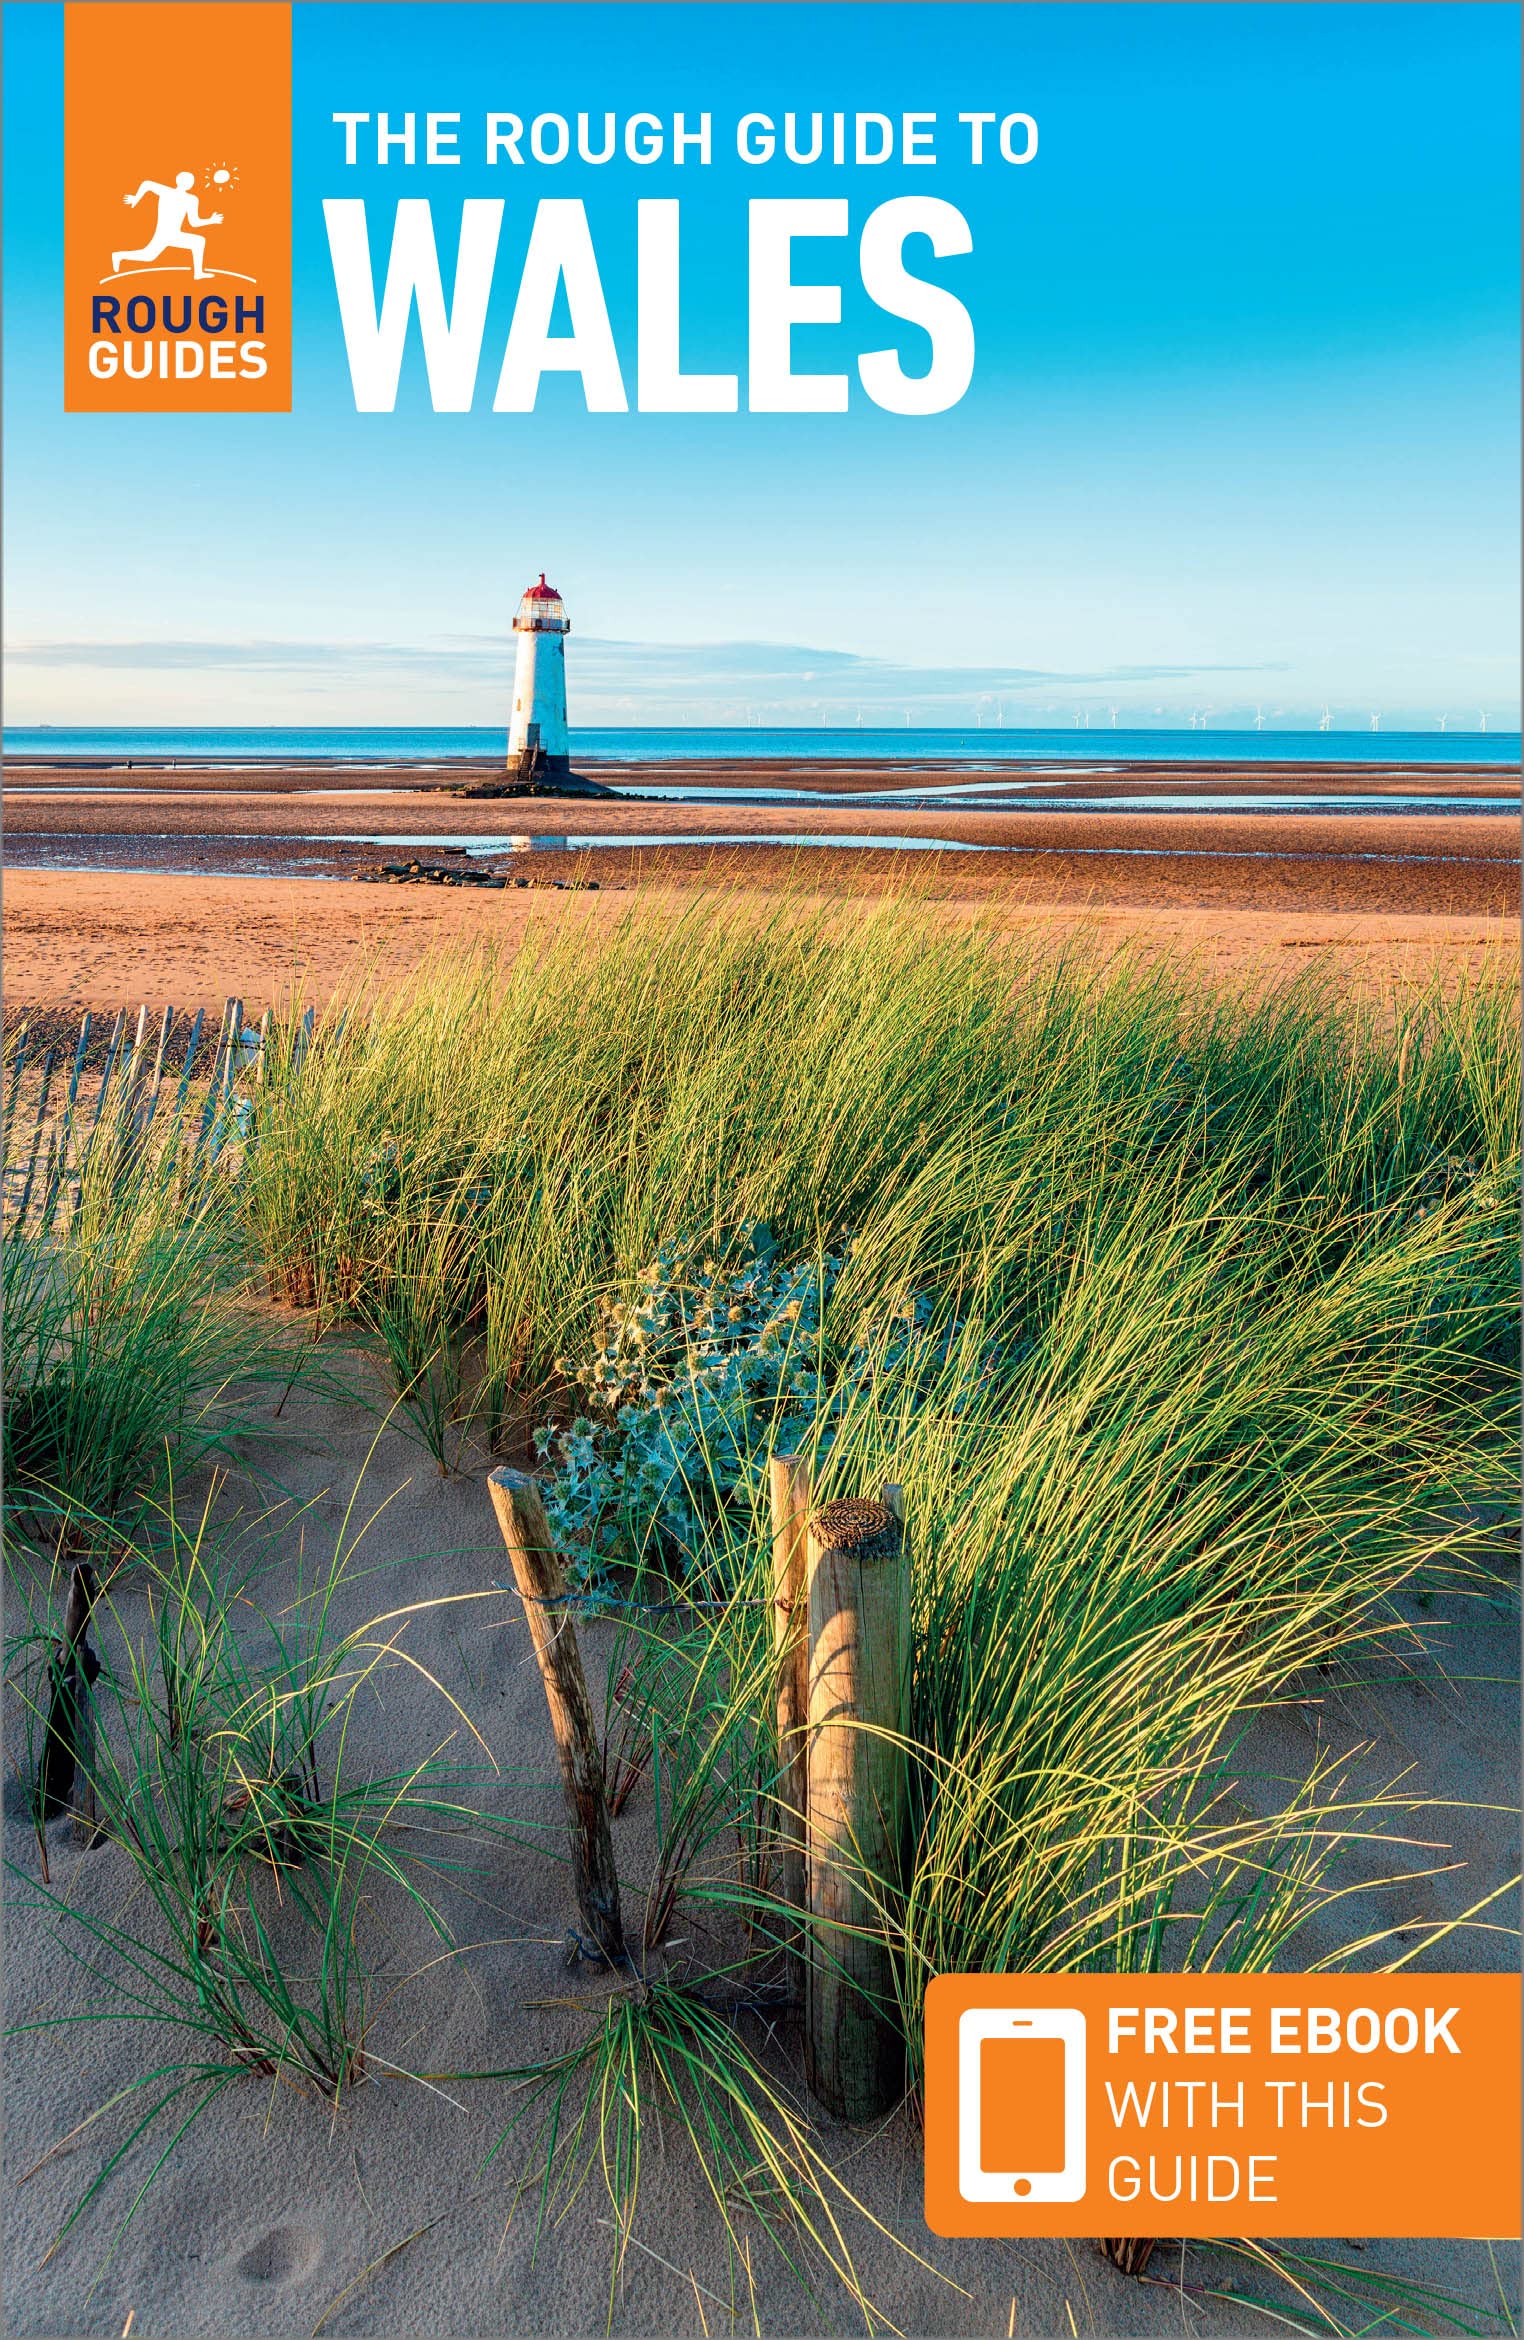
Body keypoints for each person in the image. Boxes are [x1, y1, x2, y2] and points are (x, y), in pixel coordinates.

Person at [112, 173, 223, 280]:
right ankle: (118, 256)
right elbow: (194, 223)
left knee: (198, 241)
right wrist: (211, 220)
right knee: (149, 256)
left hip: (172, 234)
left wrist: (136, 198)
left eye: (191, 180)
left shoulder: (187, 198)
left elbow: (147, 184)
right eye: (190, 180)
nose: (191, 182)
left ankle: (198, 273)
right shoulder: (182, 196)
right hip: (164, 234)